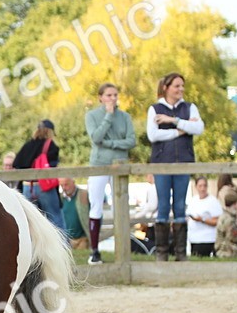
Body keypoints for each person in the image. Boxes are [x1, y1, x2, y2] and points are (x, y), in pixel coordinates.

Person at [147, 72, 204, 261]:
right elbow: (153, 135)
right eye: (176, 86)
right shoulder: (155, 109)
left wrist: (173, 121)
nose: (180, 90)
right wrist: (179, 132)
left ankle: (180, 253)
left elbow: (198, 128)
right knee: (163, 205)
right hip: (162, 162)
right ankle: (162, 252)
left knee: (180, 205)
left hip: (183, 162)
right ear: (166, 88)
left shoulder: (189, 107)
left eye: (182, 86)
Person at [84, 82, 136, 264]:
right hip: (99, 164)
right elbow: (96, 138)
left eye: (115, 95)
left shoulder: (125, 117)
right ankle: (95, 250)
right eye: (109, 95)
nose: (113, 98)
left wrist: (111, 143)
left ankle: (121, 249)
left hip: (119, 165)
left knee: (119, 207)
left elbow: (131, 141)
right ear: (101, 97)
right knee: (96, 205)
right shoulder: (92, 116)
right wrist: (108, 116)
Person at [12, 119, 64, 231]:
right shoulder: (51, 146)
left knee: (31, 223)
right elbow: (53, 165)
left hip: (27, 186)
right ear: (50, 132)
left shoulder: (27, 145)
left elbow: (16, 163)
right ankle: (62, 248)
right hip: (44, 186)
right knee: (55, 218)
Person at [185, 176, 222, 257]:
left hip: (208, 239)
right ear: (196, 187)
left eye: (205, 185)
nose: (203, 188)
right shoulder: (193, 200)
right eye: (200, 186)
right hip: (194, 239)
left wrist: (202, 220)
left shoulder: (213, 201)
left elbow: (218, 221)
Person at [58, 177, 90, 250]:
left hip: (83, 240)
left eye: (66, 185)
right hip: (66, 241)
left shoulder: (84, 195)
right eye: (62, 185)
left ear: (73, 182)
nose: (64, 188)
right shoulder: (60, 198)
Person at [215, 188, 237, 259]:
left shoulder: (223, 216)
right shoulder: (230, 220)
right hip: (228, 253)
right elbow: (233, 238)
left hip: (220, 251)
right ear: (235, 204)